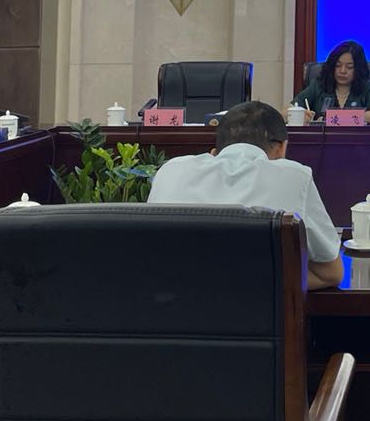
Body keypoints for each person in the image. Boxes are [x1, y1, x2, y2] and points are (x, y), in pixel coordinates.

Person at [148, 100, 345, 289]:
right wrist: (252, 281)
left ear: (214, 151)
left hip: (170, 307)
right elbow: (330, 274)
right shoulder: (294, 176)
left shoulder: (170, 171)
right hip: (258, 311)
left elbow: (150, 262)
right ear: (282, 148)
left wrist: (208, 280)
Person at [291, 40, 370, 124]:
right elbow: (286, 111)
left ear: (358, 69)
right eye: (338, 65)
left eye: (349, 67)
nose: (342, 71)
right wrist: (299, 115)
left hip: (357, 138)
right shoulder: (319, 85)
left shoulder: (367, 87)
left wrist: (335, 117)